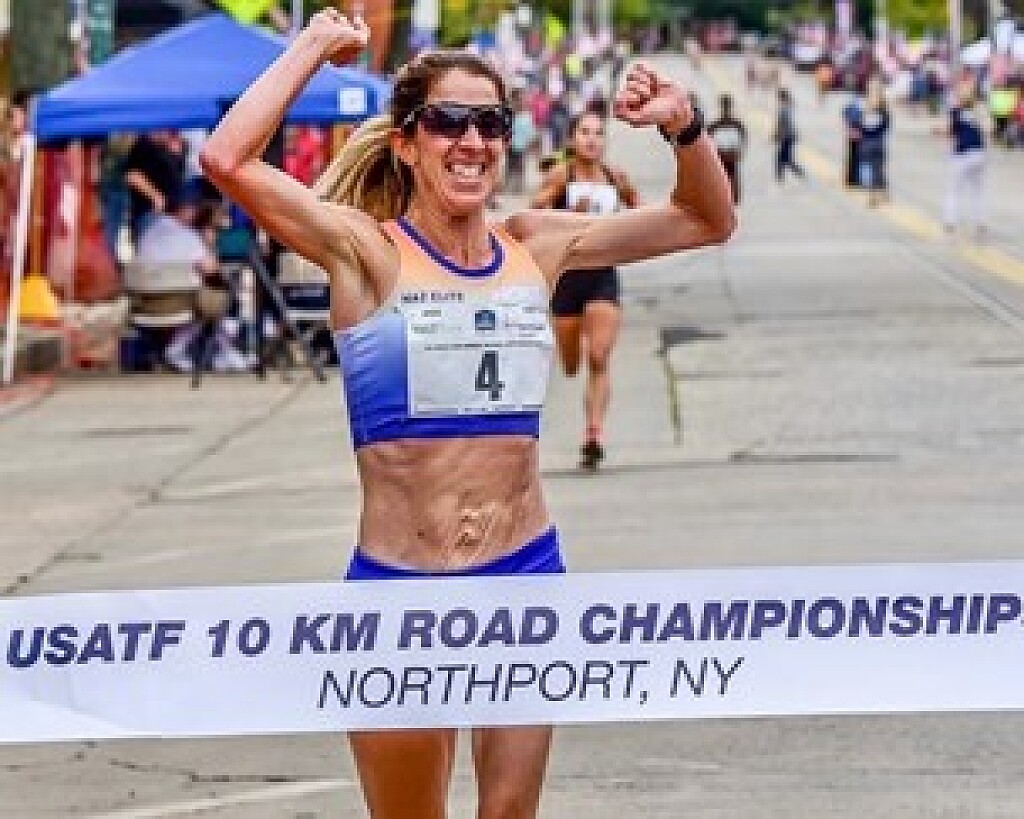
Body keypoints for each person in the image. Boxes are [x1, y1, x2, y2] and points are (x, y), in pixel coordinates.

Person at [200, 9, 733, 818]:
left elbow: (707, 218)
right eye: (448, 121)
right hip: (399, 591)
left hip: (522, 574)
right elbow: (226, 159)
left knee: (510, 813)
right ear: (407, 142)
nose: (471, 140)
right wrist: (310, 46)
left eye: (490, 123)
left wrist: (683, 125)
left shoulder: (536, 244)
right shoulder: (365, 251)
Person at [531, 111, 639, 470]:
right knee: (571, 363)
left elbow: (639, 211)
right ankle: (574, 357)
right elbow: (534, 212)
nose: (592, 139)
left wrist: (626, 225)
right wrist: (565, 215)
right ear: (573, 139)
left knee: (598, 356)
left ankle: (594, 434)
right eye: (584, 132)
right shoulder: (562, 175)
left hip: (602, 275)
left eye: (598, 133)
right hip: (567, 279)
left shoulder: (615, 177)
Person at [122, 130, 187, 244]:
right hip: (150, 213)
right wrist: (157, 197)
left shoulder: (174, 146)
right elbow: (132, 175)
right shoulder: (144, 145)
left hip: (170, 215)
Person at [942, 87, 987, 237]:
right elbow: (989, 129)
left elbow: (950, 131)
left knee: (954, 190)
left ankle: (950, 221)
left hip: (962, 153)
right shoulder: (978, 111)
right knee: (977, 190)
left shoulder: (955, 112)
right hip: (979, 153)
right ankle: (979, 221)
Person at [707, 94, 747, 205]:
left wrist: (740, 151)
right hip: (720, 155)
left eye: (727, 106)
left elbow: (743, 139)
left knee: (730, 177)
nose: (725, 109)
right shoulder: (716, 125)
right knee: (721, 178)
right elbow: (708, 140)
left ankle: (731, 199)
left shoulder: (735, 124)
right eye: (724, 106)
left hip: (730, 155)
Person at [858, 84, 890, 207]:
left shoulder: (880, 113)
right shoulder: (873, 112)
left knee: (875, 170)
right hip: (870, 145)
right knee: (875, 170)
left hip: (875, 145)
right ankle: (878, 194)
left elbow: (867, 127)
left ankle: (875, 195)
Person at [773, 87, 804, 183]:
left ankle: (782, 177)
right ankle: (783, 176)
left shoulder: (784, 108)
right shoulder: (788, 107)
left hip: (787, 136)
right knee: (784, 158)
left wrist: (777, 134)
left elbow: (784, 123)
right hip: (789, 136)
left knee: (783, 158)